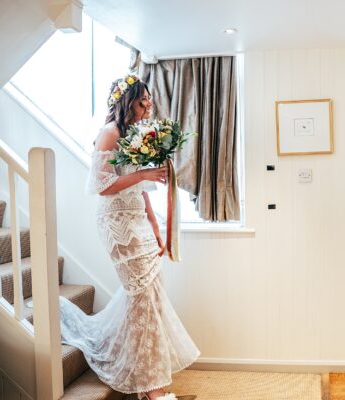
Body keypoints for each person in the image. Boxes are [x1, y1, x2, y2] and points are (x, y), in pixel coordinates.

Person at [59, 75, 200, 399]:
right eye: (142, 100)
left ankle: (137, 368)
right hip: (117, 224)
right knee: (142, 301)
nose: (148, 105)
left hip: (139, 220)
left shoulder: (137, 136)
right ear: (127, 101)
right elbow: (102, 186)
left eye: (149, 100)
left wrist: (156, 227)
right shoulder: (109, 134)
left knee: (150, 299)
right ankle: (152, 388)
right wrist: (144, 174)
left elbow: (141, 190)